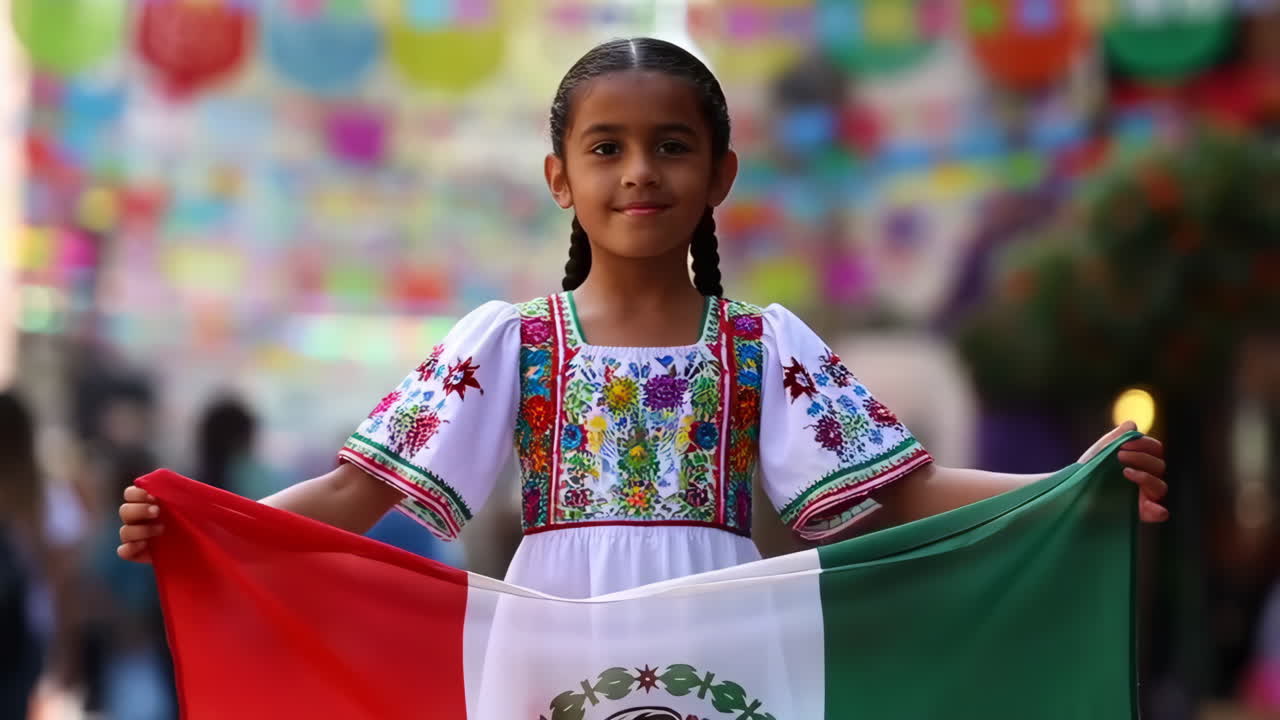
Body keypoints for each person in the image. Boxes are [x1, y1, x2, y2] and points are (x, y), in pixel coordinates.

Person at [117, 38, 1169, 600]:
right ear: (557, 177)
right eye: (605, 147)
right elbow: (356, 491)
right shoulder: (509, 342)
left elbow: (906, 492)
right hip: (543, 657)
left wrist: (1072, 486)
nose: (638, 173)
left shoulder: (765, 346)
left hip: (728, 652)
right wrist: (197, 523)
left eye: (670, 146)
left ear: (719, 174)